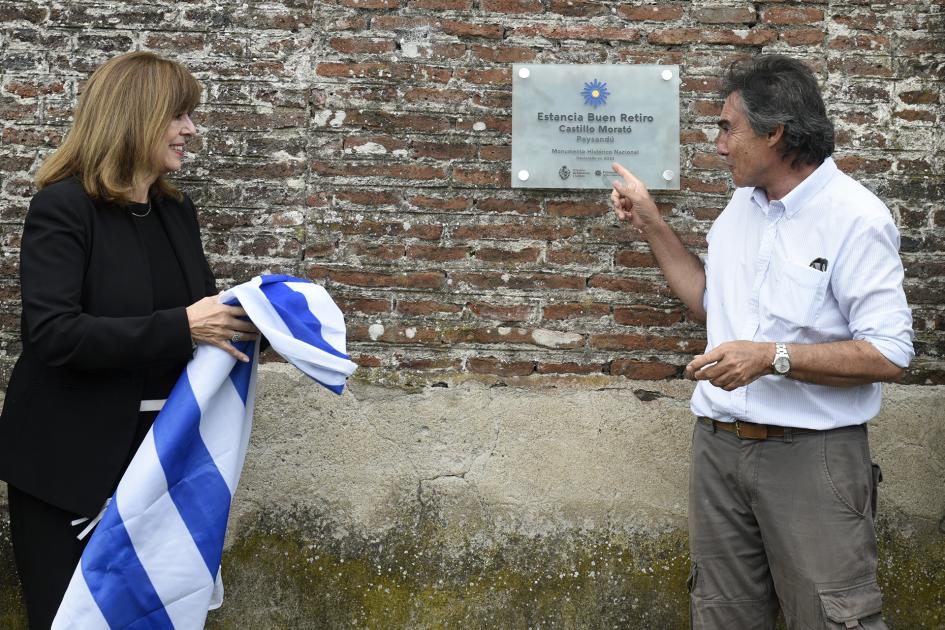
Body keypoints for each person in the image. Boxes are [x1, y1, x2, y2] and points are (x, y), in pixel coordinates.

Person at [610, 54, 913, 629]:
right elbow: (709, 302)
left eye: (728, 128)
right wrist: (649, 220)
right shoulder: (740, 208)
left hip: (812, 456)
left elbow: (889, 352)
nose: (718, 145)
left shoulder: (855, 217)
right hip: (718, 450)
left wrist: (772, 358)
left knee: (832, 618)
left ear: (775, 133)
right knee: (722, 616)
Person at [0, 51, 260, 629]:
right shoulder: (63, 208)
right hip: (72, 469)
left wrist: (262, 320)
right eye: (179, 116)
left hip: (162, 464)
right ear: (135, 116)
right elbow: (52, 334)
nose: (191, 130)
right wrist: (182, 327)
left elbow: (201, 319)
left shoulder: (175, 211)